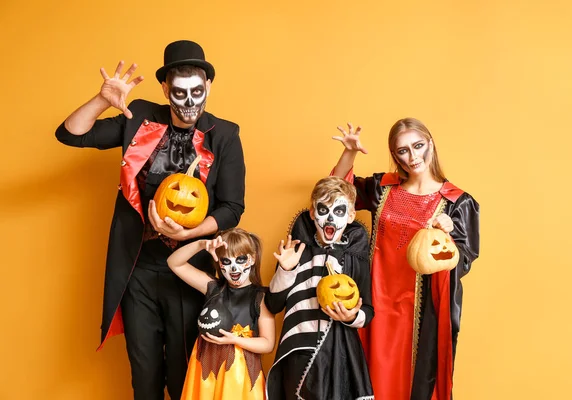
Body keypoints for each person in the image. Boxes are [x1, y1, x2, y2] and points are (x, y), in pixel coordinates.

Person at [55, 40, 246, 399]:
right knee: (144, 372)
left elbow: (232, 208)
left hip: (189, 269)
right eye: (180, 93)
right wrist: (102, 100)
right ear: (165, 90)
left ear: (208, 87)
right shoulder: (141, 118)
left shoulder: (225, 135)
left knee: (183, 369)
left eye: (198, 92)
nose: (189, 103)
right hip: (139, 268)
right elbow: (71, 134)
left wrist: (189, 229)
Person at [331, 118, 480, 400]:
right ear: (394, 155)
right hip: (374, 296)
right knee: (367, 373)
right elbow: (336, 194)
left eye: (418, 146)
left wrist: (447, 236)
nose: (412, 157)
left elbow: (463, 260)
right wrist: (349, 152)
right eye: (402, 151)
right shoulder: (382, 187)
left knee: (409, 379)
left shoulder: (458, 202)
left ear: (430, 144)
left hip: (419, 308)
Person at [265, 176, 374, 400]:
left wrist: (352, 316)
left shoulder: (355, 258)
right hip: (298, 348)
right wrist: (285, 269)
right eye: (323, 210)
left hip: (339, 351)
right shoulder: (296, 250)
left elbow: (369, 310)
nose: (330, 218)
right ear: (313, 213)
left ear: (351, 216)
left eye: (339, 211)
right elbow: (272, 304)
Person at [166, 227, 275, 399]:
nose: (233, 268)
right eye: (226, 261)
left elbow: (268, 344)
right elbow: (174, 263)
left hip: (240, 375)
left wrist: (234, 340)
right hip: (206, 368)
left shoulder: (261, 296)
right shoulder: (213, 288)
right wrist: (201, 244)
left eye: (240, 259)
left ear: (252, 259)